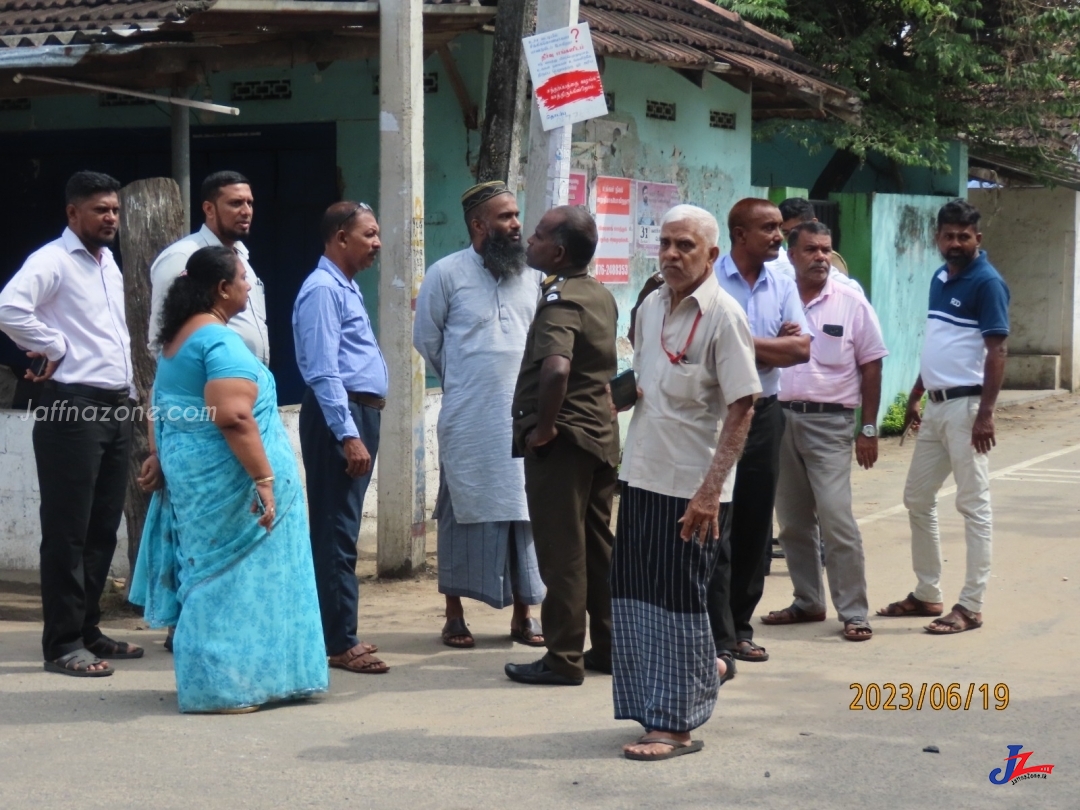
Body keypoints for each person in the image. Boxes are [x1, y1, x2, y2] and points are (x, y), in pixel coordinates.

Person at [130, 246, 327, 713]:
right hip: (229, 485)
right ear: (222, 288)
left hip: (198, 480)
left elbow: (164, 405)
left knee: (220, 579)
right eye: (244, 279)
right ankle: (227, 687)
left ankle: (248, 680)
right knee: (233, 581)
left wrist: (160, 455)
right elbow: (234, 416)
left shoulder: (179, 339)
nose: (249, 286)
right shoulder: (216, 340)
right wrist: (263, 477)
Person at [613, 205, 759, 761]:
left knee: (679, 600)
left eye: (686, 246)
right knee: (637, 596)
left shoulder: (725, 315)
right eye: (667, 243)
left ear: (712, 256)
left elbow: (743, 407)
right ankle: (688, 683)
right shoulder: (650, 306)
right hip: (641, 474)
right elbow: (644, 383)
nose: (672, 254)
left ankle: (675, 726)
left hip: (692, 486)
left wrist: (709, 491)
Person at [0, 171, 140, 677]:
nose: (110, 219)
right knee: (68, 532)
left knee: (103, 527)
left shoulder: (108, 265)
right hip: (71, 408)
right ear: (72, 213)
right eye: (100, 210)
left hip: (115, 405)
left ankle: (88, 630)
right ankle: (61, 643)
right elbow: (9, 307)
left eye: (115, 210)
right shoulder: (51, 260)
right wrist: (53, 345)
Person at [413, 181, 546, 648]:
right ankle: (454, 614)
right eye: (505, 216)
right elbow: (426, 340)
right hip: (470, 417)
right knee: (461, 512)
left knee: (525, 511)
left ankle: (525, 616)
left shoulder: (534, 276)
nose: (515, 224)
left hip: (522, 417)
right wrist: (468, 381)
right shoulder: (446, 273)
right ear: (478, 224)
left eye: (515, 215)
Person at [878, 200, 1009, 635]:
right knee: (917, 497)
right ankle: (927, 592)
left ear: (978, 239)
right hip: (936, 406)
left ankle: (971, 605)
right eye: (948, 236)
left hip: (968, 408)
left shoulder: (987, 283)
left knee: (973, 504)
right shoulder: (939, 277)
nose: (955, 244)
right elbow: (938, 341)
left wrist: (986, 415)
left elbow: (997, 351)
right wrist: (916, 395)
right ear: (937, 237)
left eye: (964, 237)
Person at [505, 206, 619, 686]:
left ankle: (563, 657)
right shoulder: (599, 294)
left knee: (562, 553)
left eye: (538, 235)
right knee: (597, 549)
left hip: (565, 440)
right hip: (600, 438)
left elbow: (556, 368)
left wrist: (545, 428)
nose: (529, 240)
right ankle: (612, 647)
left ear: (558, 251)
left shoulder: (561, 299)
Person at [761, 222, 887, 642]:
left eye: (826, 250)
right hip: (780, 419)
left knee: (836, 517)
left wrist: (867, 428)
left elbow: (872, 364)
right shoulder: (777, 297)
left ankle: (853, 611)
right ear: (792, 254)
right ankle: (808, 601)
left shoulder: (851, 302)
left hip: (830, 423)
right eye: (811, 249)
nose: (820, 257)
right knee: (793, 521)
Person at [709, 197, 811, 664]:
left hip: (765, 412)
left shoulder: (784, 281)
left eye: (779, 229)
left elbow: (801, 352)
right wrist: (773, 345)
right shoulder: (710, 279)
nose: (779, 236)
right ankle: (716, 632)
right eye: (769, 228)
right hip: (716, 415)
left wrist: (742, 340)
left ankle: (740, 627)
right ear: (739, 234)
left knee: (753, 522)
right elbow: (706, 349)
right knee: (717, 523)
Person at [293, 201, 389, 674]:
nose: (377, 243)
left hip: (357, 414)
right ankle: (336, 640)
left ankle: (338, 630)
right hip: (341, 416)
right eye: (368, 234)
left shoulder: (345, 287)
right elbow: (323, 370)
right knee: (335, 532)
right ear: (339, 238)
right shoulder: (322, 291)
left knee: (341, 528)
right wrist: (348, 434)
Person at [149, 171, 269, 364]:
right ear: (209, 209)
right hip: (209, 386)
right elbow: (161, 336)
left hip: (247, 381)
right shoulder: (184, 255)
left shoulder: (241, 257)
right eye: (236, 203)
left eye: (250, 203)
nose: (246, 211)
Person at [766, 197, 863, 294]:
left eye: (825, 250)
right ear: (790, 255)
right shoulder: (773, 265)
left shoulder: (849, 290)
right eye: (786, 233)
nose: (820, 257)